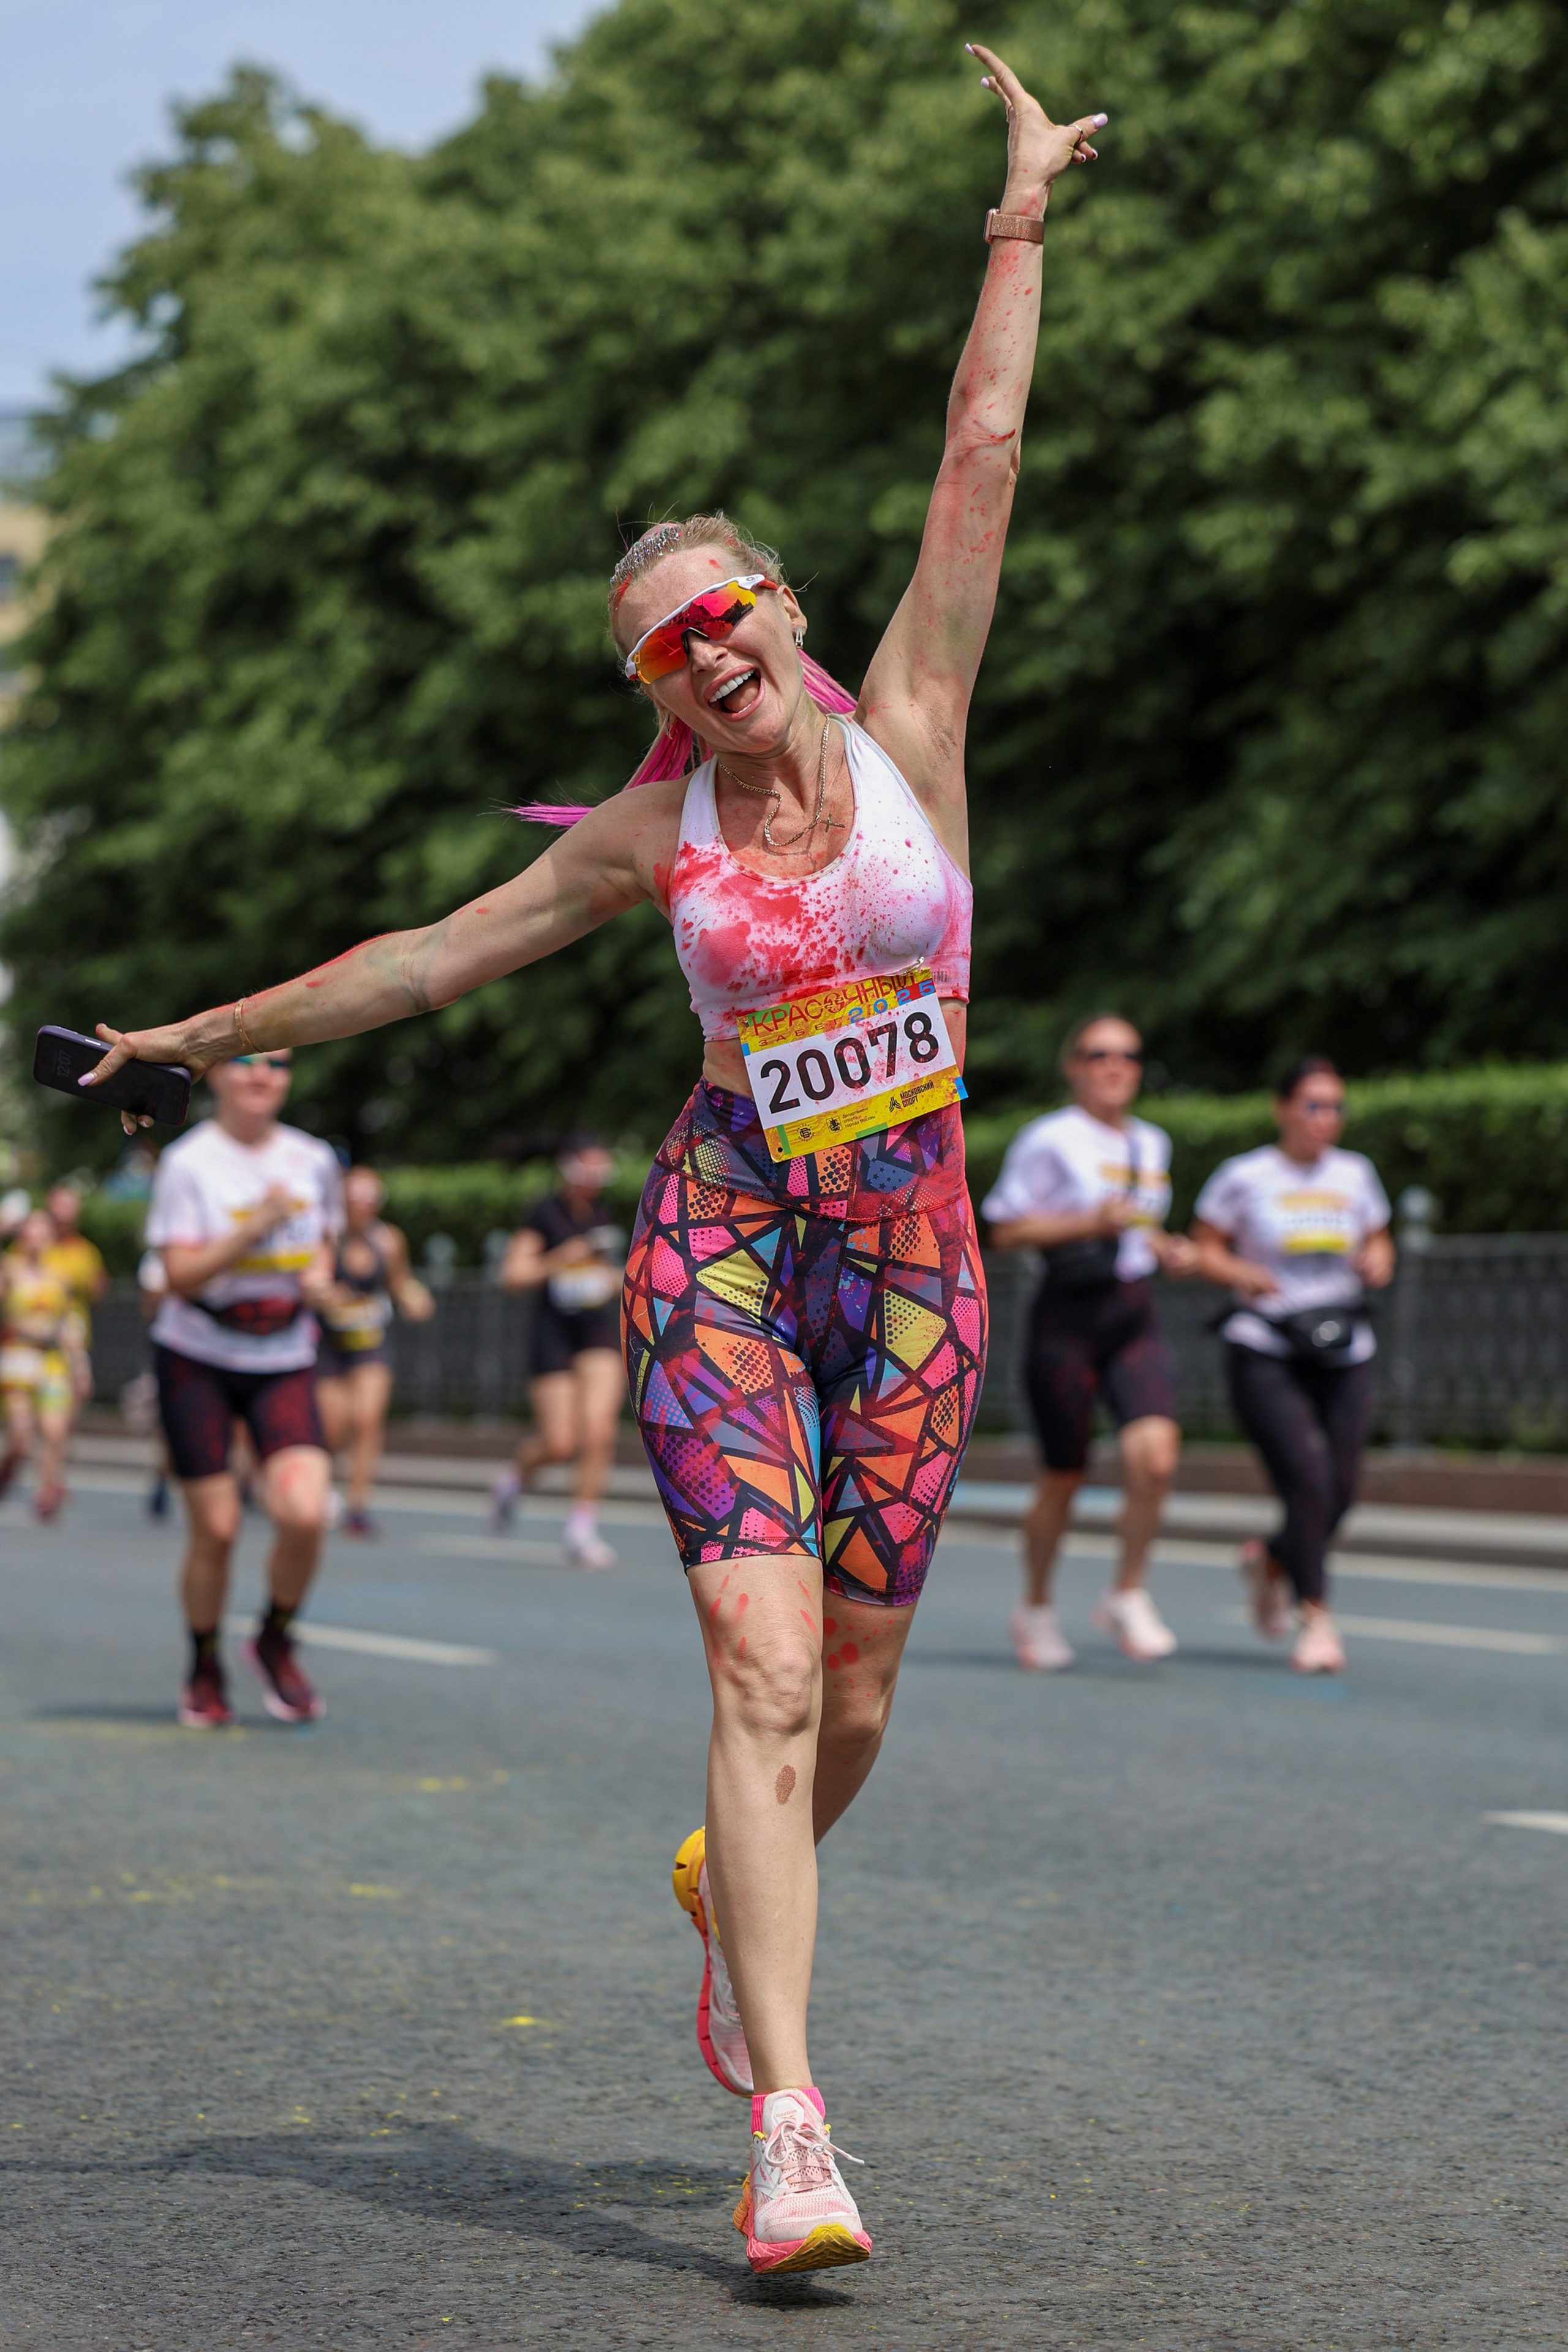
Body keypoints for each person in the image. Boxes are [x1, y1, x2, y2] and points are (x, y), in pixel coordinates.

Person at [83, 51, 1105, 2275]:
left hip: (917, 1261)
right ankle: (794, 2134)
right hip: (724, 1249)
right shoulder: (654, 841)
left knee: (847, 1699)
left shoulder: (913, 716)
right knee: (751, 1678)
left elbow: (983, 449)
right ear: (650, 685)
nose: (707, 649)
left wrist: (1013, 221)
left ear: (787, 607)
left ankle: (719, 1892)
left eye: (726, 608)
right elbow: (430, 960)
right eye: (663, 643)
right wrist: (202, 1032)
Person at [983, 1014, 1196, 1670]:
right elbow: (1003, 1228)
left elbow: (1139, 1225)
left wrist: (1167, 1246)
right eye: (1098, 1054)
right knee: (1063, 1476)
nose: (1114, 1067)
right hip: (1066, 1315)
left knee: (1156, 1457)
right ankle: (1037, 1607)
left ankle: (1126, 1591)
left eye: (1128, 1057)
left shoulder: (1152, 1142)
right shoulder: (1049, 1139)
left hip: (1131, 1309)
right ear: (1072, 1064)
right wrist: (1085, 1222)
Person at [142, 1050, 343, 1728]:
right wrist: (252, 1227)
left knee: (305, 1512)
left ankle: (274, 1638)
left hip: (282, 1353)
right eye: (248, 1061)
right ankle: (203, 1663)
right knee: (219, 1529)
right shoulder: (189, 1163)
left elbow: (323, 1240)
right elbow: (178, 1277)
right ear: (220, 1075)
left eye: (281, 1065)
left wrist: (320, 1275)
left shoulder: (313, 1156)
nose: (264, 1075)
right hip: (196, 1354)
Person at [1191, 1055, 1395, 1675]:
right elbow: (1205, 1246)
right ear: (1282, 1108)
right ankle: (1316, 1616)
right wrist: (1238, 1272)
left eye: (1334, 1106)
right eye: (1312, 1105)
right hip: (1266, 1344)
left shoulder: (1355, 1174)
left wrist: (1377, 1258)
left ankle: (1272, 1560)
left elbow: (1378, 1235)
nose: (1324, 1119)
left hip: (1342, 1343)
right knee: (1306, 1480)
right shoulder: (1245, 1175)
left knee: (1340, 1488)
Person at [489, 1135, 625, 1569]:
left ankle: (581, 1528)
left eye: (602, 1172)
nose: (595, 1180)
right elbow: (513, 1275)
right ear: (568, 1169)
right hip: (554, 1332)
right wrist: (560, 1258)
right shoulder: (545, 1214)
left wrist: (614, 1278)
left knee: (600, 1430)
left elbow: (608, 1272)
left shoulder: (604, 1215)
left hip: (596, 1330)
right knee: (561, 1441)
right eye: (588, 1170)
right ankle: (514, 1478)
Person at [315, 1165, 433, 1537]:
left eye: (371, 1199)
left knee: (367, 1419)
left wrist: (414, 1298)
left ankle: (358, 1506)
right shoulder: (325, 1238)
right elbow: (307, 1282)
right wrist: (325, 1295)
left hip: (370, 1341)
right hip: (328, 1343)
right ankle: (322, 1487)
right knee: (333, 1427)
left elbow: (400, 1281)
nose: (363, 1207)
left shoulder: (388, 1240)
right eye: (355, 1198)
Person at [0, 1208, 85, 1518]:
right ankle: (8, 1467)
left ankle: (46, 1491)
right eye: (29, 1233)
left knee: (54, 1431)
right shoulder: (10, 1269)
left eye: (42, 1233)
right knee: (21, 1436)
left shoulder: (61, 1276)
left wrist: (80, 1364)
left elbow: (70, 1323)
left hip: (52, 1363)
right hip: (17, 1360)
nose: (35, 1239)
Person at [43, 1185, 109, 1423]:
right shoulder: (34, 1245)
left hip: (74, 1338)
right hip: (39, 1339)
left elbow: (98, 1292)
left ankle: (55, 1453)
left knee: (76, 1398)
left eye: (70, 1206)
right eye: (61, 1205)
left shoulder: (85, 1250)